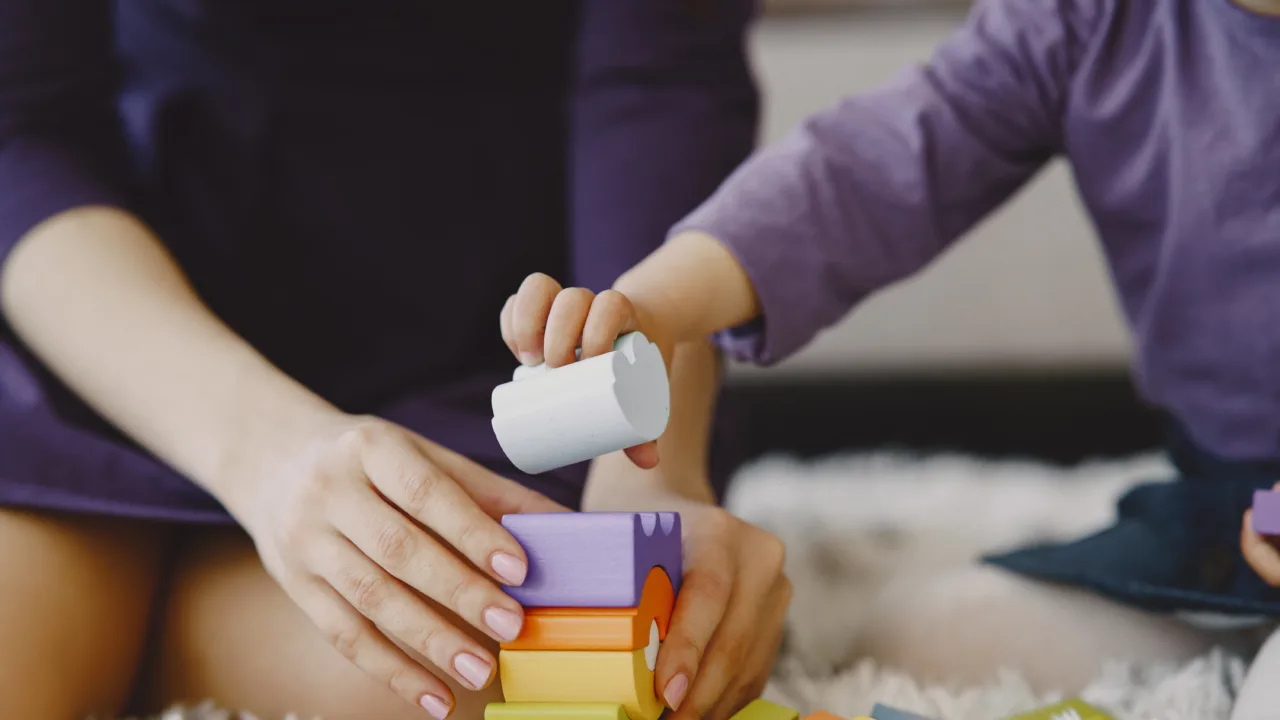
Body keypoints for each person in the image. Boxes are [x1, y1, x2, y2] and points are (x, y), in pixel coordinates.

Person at [0, 1, 791, 718]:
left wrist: (645, 478)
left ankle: (158, 612)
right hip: (118, 322)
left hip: (508, 348)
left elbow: (660, 85)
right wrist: (264, 454)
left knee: (483, 667)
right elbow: (21, 132)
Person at [504, 0, 1280, 716]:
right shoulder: (1089, 17)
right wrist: (652, 305)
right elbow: (860, 175)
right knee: (917, 641)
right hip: (1221, 509)